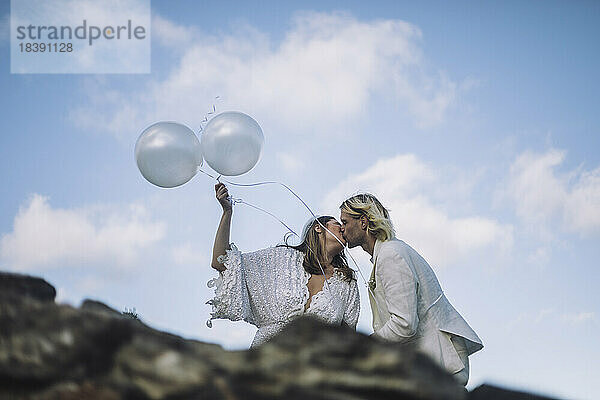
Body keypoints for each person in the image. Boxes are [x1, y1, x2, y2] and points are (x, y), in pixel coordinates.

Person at [339, 193, 483, 386]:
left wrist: (363, 346)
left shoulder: (391, 255)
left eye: (345, 221)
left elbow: (404, 323)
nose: (342, 228)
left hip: (436, 365)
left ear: (363, 222)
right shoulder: (388, 253)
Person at [207, 183, 360, 347]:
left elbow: (349, 339)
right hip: (266, 360)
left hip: (317, 368)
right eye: (337, 224)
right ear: (318, 228)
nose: (343, 229)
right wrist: (227, 212)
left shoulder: (347, 282)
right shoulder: (282, 259)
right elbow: (221, 261)